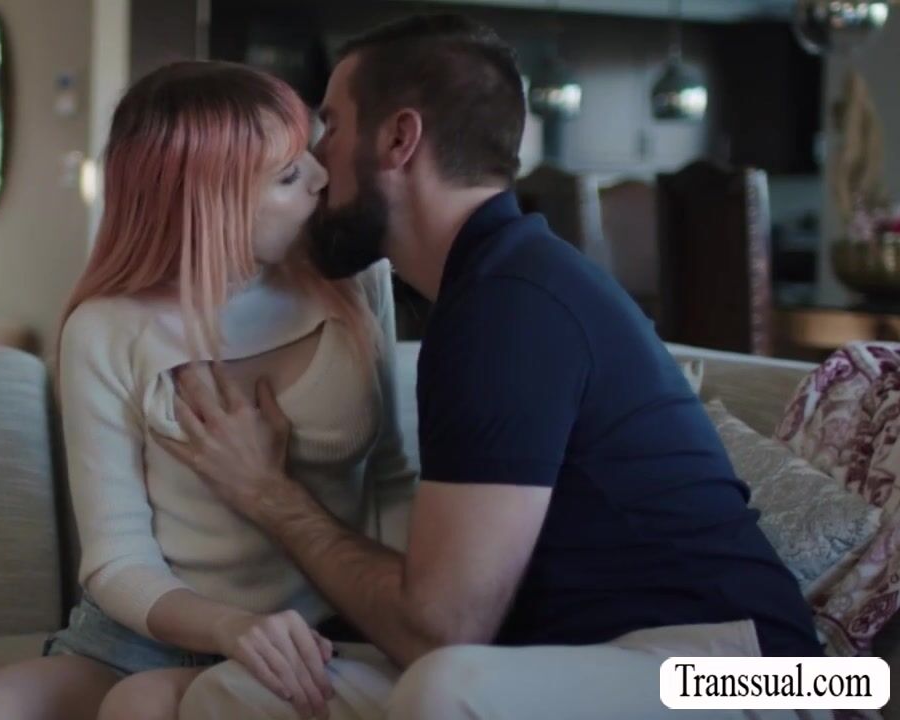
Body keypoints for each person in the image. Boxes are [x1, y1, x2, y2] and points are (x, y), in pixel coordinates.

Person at [162, 14, 826, 720]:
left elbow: (442, 629)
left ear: (398, 139)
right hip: (575, 658)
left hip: (755, 673)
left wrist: (269, 493)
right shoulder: (481, 289)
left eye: (331, 127)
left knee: (444, 687)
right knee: (236, 693)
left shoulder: (514, 301)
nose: (317, 165)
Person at [0, 61, 415, 720]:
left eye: (308, 151)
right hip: (145, 638)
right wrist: (229, 628)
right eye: (287, 175)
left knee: (141, 707)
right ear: (208, 202)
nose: (321, 176)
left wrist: (403, 622)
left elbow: (391, 475)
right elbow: (115, 558)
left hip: (311, 638)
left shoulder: (356, 281)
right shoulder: (104, 329)